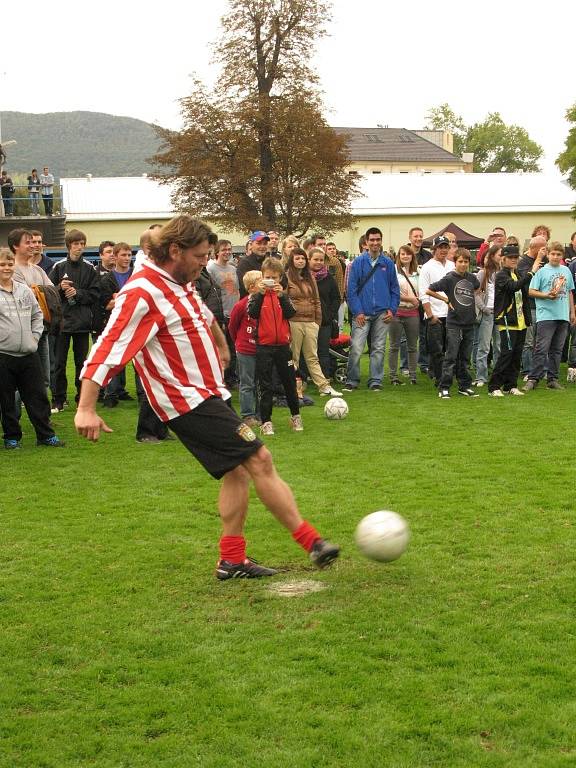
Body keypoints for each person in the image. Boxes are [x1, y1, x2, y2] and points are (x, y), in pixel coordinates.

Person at [75, 216, 339, 579]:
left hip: (209, 392)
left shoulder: (178, 279)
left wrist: (218, 343)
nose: (204, 262)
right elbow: (108, 347)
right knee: (259, 458)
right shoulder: (143, 293)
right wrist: (86, 407)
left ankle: (232, 560)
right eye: (199, 255)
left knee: (236, 472)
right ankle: (314, 543)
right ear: (174, 251)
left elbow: (198, 310)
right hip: (187, 401)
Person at [0, 248, 65, 449]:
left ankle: (45, 436)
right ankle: (12, 437)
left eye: (10, 264)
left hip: (29, 352)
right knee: (7, 400)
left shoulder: (24, 289)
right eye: (2, 264)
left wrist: (34, 337)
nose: (6, 268)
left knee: (38, 396)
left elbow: (38, 315)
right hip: (4, 354)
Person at [250, 257, 304, 434]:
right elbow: (252, 313)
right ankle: (266, 421)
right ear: (262, 277)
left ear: (280, 277)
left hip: (282, 346)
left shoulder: (284, 296)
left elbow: (290, 314)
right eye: (267, 277)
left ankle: (295, 416)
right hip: (264, 347)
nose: (271, 281)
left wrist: (281, 296)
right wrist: (260, 294)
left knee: (289, 383)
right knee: (265, 386)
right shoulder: (257, 296)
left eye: (274, 277)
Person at [48, 229, 100, 412]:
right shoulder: (58, 266)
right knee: (59, 364)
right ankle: (58, 400)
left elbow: (95, 294)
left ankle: (81, 399)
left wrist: (78, 294)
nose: (79, 247)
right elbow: (49, 293)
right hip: (62, 323)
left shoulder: (90, 268)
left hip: (82, 324)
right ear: (69, 245)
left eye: (82, 244)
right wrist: (60, 289)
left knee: (82, 363)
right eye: (76, 244)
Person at [344, 227, 400, 391]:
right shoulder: (358, 263)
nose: (375, 243)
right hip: (362, 313)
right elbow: (351, 290)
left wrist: (392, 309)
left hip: (382, 313)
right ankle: (352, 380)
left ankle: (375, 380)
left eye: (378, 240)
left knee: (378, 348)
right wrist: (358, 311)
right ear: (366, 243)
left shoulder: (388, 263)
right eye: (372, 240)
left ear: (381, 242)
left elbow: (394, 289)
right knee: (356, 348)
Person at [488, 245, 543, 397]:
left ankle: (510, 385)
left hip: (521, 321)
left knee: (516, 355)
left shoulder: (517, 273)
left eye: (515, 258)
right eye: (510, 258)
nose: (513, 260)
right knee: (507, 354)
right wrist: (532, 271)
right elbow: (513, 287)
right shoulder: (501, 275)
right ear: (503, 259)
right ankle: (494, 387)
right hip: (507, 321)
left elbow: (523, 292)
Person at [286, 248, 341, 397]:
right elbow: (284, 300)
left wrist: (316, 321)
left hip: (310, 322)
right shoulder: (287, 278)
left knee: (312, 356)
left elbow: (316, 301)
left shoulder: (310, 277)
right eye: (297, 258)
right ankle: (294, 389)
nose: (300, 261)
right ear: (292, 260)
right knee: (294, 357)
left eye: (303, 259)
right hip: (294, 322)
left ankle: (324, 386)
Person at [427, 248, 480, 398]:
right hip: (454, 323)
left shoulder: (471, 278)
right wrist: (446, 299)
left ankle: (464, 386)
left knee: (465, 357)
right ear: (455, 262)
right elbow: (429, 290)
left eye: (466, 262)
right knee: (451, 357)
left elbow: (477, 288)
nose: (463, 264)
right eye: (460, 261)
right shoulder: (449, 278)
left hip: (469, 322)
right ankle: (444, 387)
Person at [524, 241, 575, 391]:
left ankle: (552, 379)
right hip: (546, 315)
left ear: (562, 256)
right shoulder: (541, 271)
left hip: (562, 315)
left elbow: (570, 292)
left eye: (558, 254)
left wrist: (572, 312)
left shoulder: (566, 271)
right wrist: (546, 295)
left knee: (557, 350)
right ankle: (533, 379)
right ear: (548, 254)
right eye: (553, 254)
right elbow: (531, 291)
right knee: (541, 348)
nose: (555, 256)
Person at [418, 236, 453, 386]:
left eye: (446, 247)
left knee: (450, 348)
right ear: (434, 249)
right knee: (437, 349)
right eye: (440, 247)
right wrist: (430, 315)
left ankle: (447, 375)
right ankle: (440, 379)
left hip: (451, 314)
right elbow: (423, 294)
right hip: (435, 314)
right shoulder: (427, 267)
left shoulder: (452, 265)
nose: (443, 250)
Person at [228, 270, 261, 427]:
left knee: (261, 383)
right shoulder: (241, 305)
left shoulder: (266, 303)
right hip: (246, 349)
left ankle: (261, 414)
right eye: (261, 281)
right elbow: (232, 326)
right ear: (252, 286)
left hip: (262, 349)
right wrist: (239, 343)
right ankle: (248, 415)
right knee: (247, 383)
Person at [388, 245, 420, 385]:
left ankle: (413, 375)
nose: (405, 256)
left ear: (412, 256)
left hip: (413, 313)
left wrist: (417, 300)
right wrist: (409, 299)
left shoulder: (419, 272)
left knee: (412, 346)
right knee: (394, 345)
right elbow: (391, 292)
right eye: (402, 254)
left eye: (408, 254)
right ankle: (393, 375)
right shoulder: (393, 271)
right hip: (397, 312)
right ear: (398, 256)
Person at [308, 247, 340, 380]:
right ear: (309, 260)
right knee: (308, 352)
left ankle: (324, 378)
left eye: (321, 260)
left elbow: (336, 298)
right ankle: (305, 378)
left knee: (323, 351)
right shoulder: (303, 277)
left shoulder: (329, 278)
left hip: (324, 321)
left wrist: (330, 314)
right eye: (315, 259)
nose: (318, 262)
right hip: (307, 320)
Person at [518, 235, 548, 379]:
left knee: (542, 341)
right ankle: (527, 371)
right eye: (543, 248)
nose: (545, 251)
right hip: (529, 306)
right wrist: (537, 260)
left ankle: (541, 370)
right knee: (528, 342)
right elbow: (526, 281)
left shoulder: (546, 260)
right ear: (534, 247)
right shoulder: (523, 262)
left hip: (544, 306)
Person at [473, 244, 502, 387]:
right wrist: (484, 309)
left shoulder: (504, 273)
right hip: (487, 313)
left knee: (498, 346)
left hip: (500, 313)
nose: (502, 257)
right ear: (492, 256)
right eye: (499, 255)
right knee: (484, 347)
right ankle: (481, 377)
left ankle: (498, 376)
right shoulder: (483, 273)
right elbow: (476, 293)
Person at [237, 231, 270, 297]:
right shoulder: (245, 263)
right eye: (259, 243)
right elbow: (245, 287)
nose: (262, 246)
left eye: (265, 243)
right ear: (251, 245)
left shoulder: (270, 262)